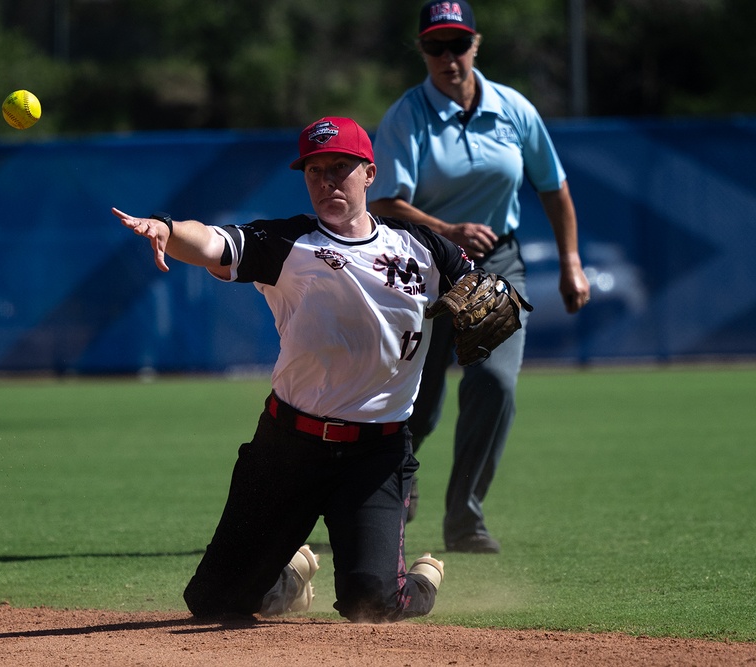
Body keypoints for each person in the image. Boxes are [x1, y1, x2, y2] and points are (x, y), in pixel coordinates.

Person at [111, 116, 480, 622]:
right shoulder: (287, 245)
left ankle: (421, 578)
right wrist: (168, 230)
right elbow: (213, 242)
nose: (327, 181)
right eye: (315, 171)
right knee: (214, 604)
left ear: (368, 173)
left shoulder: (422, 249)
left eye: (340, 168)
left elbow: (481, 287)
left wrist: (487, 292)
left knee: (370, 601)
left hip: (376, 452)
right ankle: (289, 581)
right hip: (288, 447)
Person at [368, 0, 591, 554]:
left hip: (494, 268)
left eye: (458, 44)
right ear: (422, 50)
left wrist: (570, 262)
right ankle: (399, 483)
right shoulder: (407, 116)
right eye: (435, 46)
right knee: (417, 400)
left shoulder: (513, 110)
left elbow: (553, 186)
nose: (449, 57)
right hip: (422, 267)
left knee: (495, 382)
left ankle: (465, 517)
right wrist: (447, 229)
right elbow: (386, 202)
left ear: (476, 45)